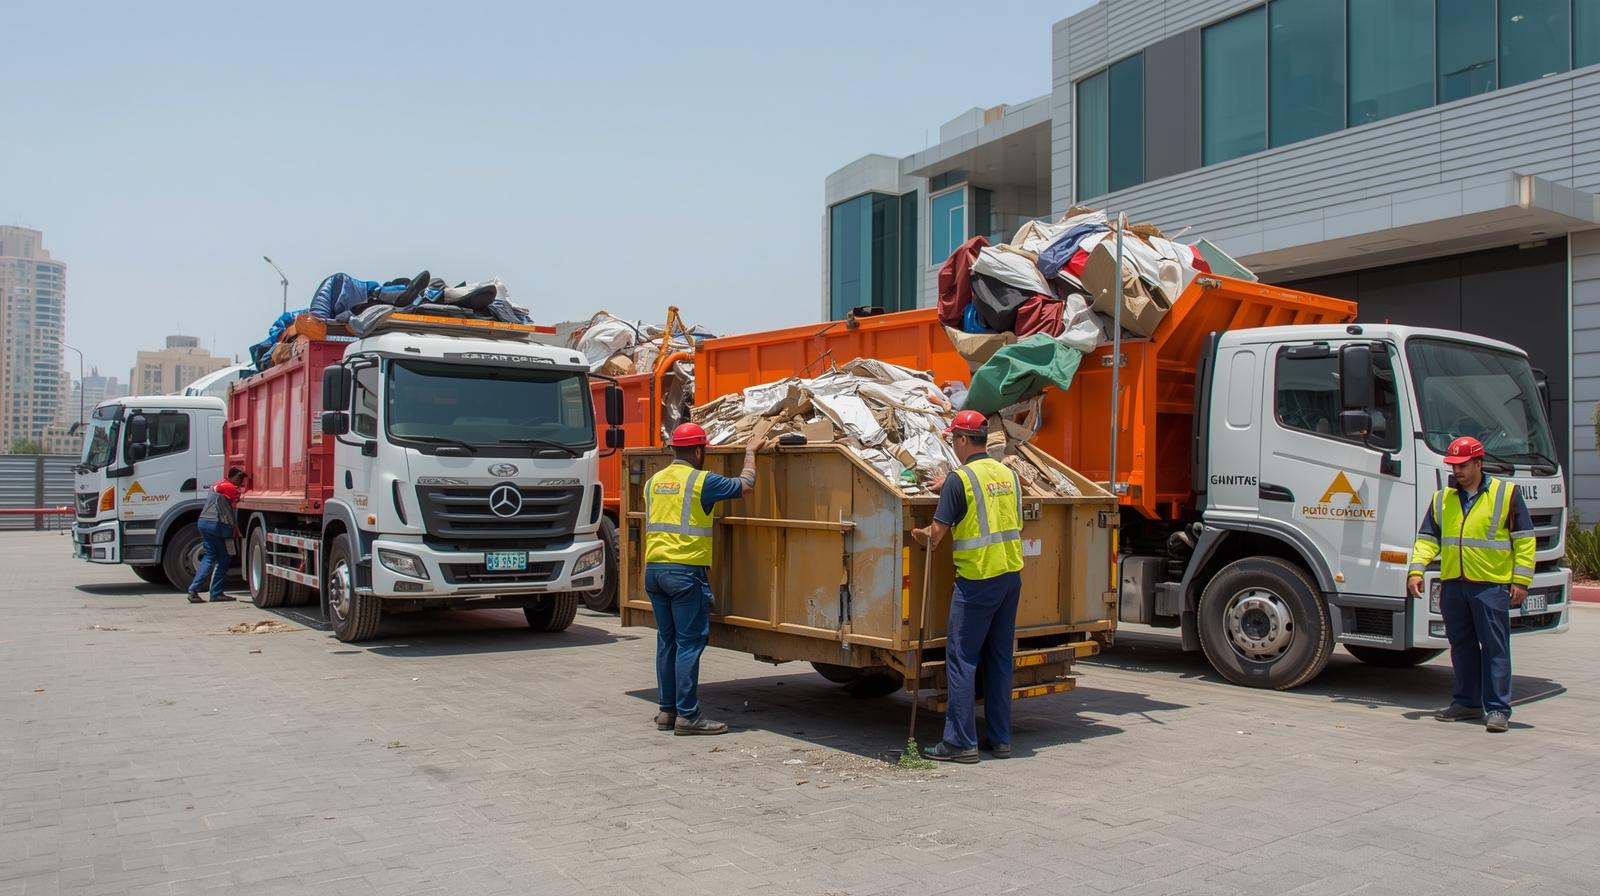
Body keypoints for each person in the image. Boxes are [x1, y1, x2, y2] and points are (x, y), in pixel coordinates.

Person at [910, 410, 1025, 764]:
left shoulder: (960, 480)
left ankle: (961, 742)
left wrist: (916, 533)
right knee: (999, 658)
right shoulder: (1008, 473)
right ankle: (1000, 739)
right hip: (1010, 576)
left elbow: (936, 535)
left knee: (962, 658)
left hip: (977, 580)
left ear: (962, 440)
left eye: (952, 440)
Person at [643, 423, 766, 736]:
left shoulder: (653, 482)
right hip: (685, 573)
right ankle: (689, 716)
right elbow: (745, 486)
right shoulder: (701, 481)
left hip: (654, 571)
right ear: (699, 451)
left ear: (674, 450)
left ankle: (666, 712)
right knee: (689, 644)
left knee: (666, 642)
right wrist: (750, 453)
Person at [1407, 436, 1535, 734]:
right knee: (1461, 647)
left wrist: (1521, 580)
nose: (1457, 471)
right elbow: (1428, 539)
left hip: (1490, 586)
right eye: (1453, 465)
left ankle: (1498, 709)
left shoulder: (1506, 494)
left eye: (1462, 465)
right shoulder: (1443, 499)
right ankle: (1467, 702)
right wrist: (1416, 570)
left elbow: (1525, 542)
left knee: (1495, 648)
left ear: (1479, 463)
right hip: (1454, 585)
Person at [188, 466, 248, 603]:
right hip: (217, 525)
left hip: (204, 522)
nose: (241, 481)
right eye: (239, 478)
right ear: (233, 476)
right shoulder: (229, 487)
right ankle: (215, 593)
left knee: (209, 556)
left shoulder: (216, 484)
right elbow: (242, 497)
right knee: (223, 559)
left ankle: (194, 589)